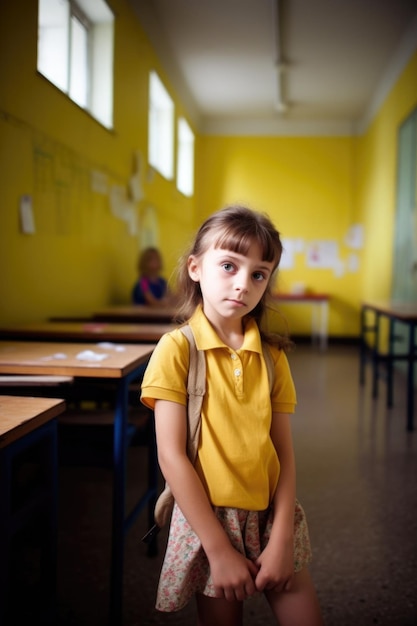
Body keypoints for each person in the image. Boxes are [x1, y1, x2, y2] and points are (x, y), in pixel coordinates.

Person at [140, 205, 323, 626]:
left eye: (259, 273)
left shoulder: (273, 356)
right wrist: (219, 550)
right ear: (195, 268)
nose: (243, 284)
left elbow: (284, 454)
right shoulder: (177, 349)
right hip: (210, 521)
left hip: (272, 515)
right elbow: (171, 457)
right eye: (228, 265)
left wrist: (280, 537)